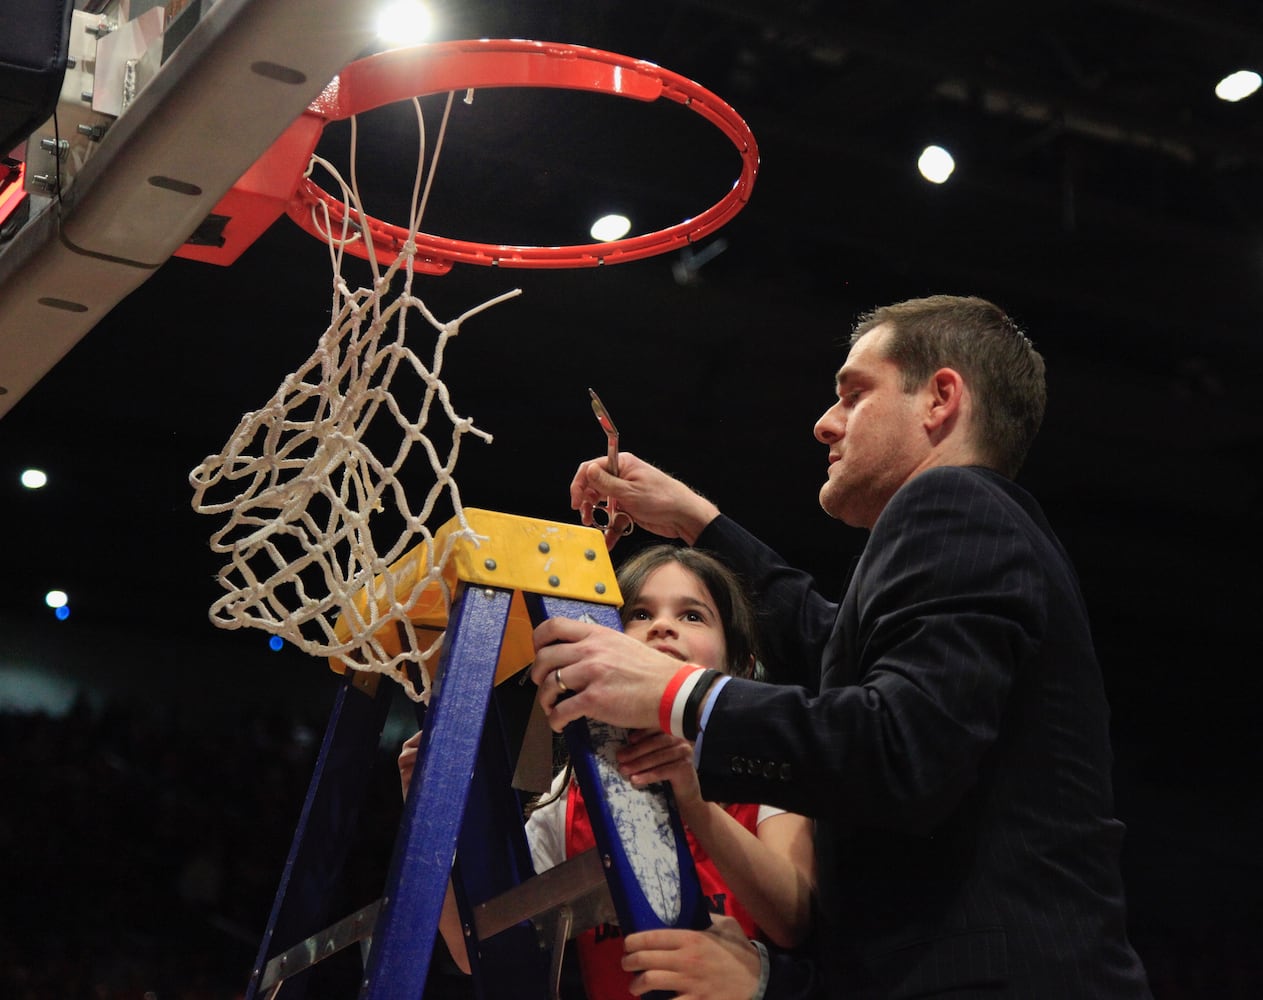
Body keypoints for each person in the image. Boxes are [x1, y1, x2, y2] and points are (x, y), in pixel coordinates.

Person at [532, 295, 1153, 998]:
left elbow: (893, 747)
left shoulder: (950, 504)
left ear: (939, 399)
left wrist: (668, 689)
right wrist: (696, 522)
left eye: (853, 394)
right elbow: (829, 646)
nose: (824, 422)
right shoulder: (966, 524)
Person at [399, 544, 815, 998]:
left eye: (692, 616)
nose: (661, 626)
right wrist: (429, 815)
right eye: (638, 614)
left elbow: (793, 920)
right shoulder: (572, 792)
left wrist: (693, 800)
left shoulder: (765, 768)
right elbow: (477, 948)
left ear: (740, 665)